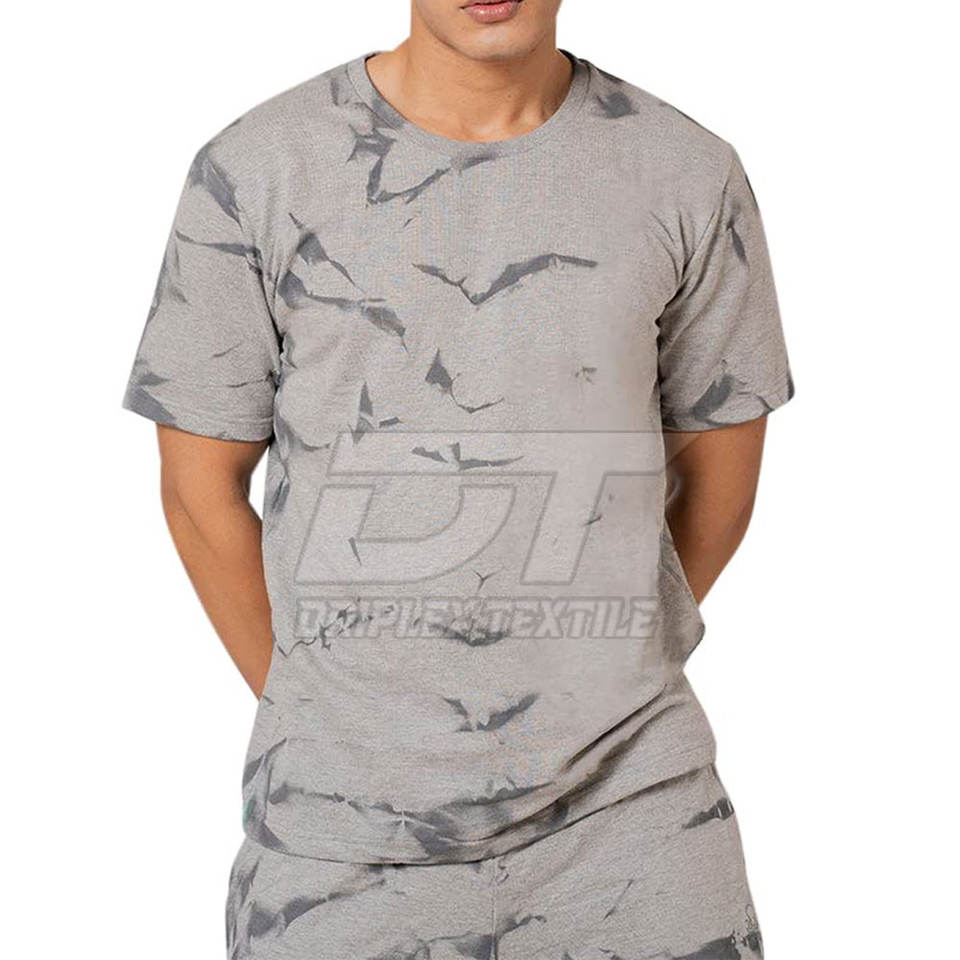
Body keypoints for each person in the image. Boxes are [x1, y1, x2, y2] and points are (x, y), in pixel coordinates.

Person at [123, 1, 792, 956]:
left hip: (636, 813)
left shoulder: (688, 171)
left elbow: (719, 478)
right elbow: (199, 491)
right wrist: (322, 705)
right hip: (339, 833)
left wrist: (596, 654)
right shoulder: (256, 169)